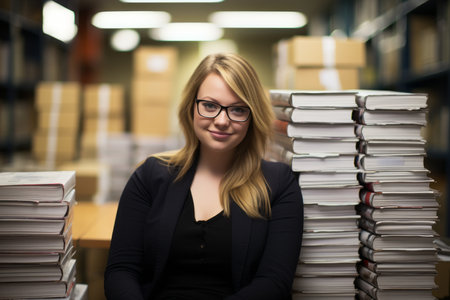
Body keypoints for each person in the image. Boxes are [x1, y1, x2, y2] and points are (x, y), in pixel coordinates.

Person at [104, 53, 303, 300]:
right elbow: (121, 272)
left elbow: (274, 283)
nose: (221, 121)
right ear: (191, 107)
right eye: (210, 105)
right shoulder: (149, 176)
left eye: (238, 109)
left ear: (252, 117)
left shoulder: (278, 184)